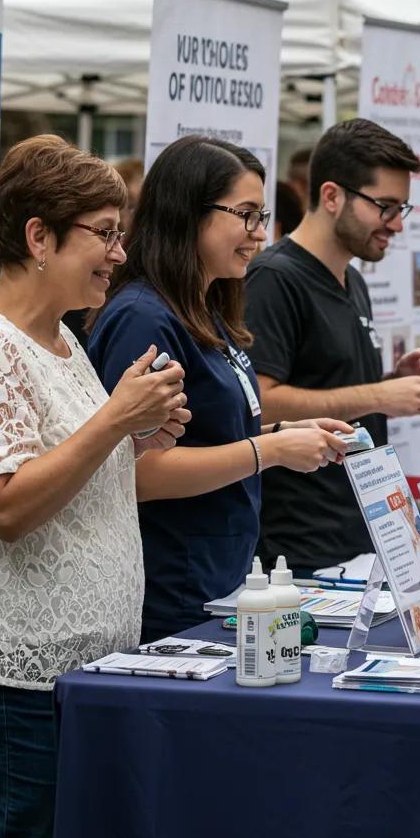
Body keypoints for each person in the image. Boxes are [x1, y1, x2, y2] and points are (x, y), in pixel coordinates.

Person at [0, 135, 188, 838]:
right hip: (24, 683)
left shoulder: (67, 339)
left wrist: (134, 435)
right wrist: (112, 422)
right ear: (39, 236)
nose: (119, 255)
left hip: (91, 666)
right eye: (104, 234)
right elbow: (6, 507)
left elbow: (76, 485)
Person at [89, 136, 349, 641]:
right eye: (246, 215)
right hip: (170, 589)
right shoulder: (144, 318)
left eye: (262, 216)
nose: (259, 234)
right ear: (190, 211)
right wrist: (268, 449)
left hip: (217, 578)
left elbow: (208, 430)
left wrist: (285, 431)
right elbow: (135, 470)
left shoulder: (203, 306)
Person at [244, 119, 420, 571]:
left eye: (402, 208)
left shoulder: (352, 278)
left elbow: (332, 386)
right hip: (298, 545)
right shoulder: (275, 279)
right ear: (332, 196)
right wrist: (380, 395)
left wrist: (397, 381)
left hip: (359, 529)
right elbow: (260, 402)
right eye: (385, 206)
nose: (395, 224)